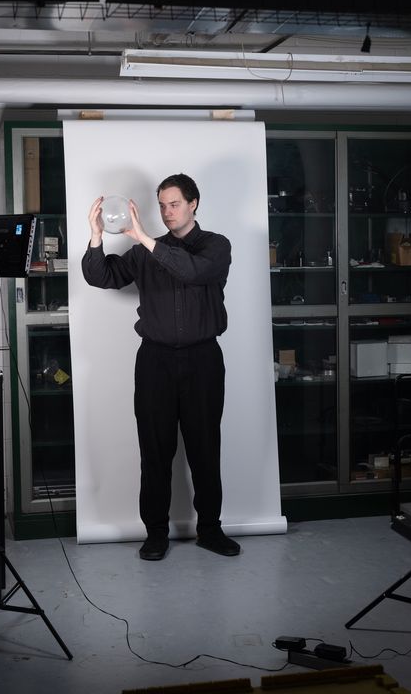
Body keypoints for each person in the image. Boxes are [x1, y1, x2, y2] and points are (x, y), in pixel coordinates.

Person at [82, 173, 240, 561]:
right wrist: (96, 235)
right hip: (155, 362)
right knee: (154, 452)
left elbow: (192, 271)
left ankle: (210, 530)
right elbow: (101, 276)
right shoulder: (144, 252)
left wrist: (143, 238)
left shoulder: (216, 246)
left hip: (203, 360)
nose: (167, 212)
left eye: (175, 204)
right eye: (163, 206)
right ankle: (156, 533)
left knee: (205, 449)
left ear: (193, 203)